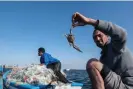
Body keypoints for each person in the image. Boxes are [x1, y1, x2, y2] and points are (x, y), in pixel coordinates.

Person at [72, 12, 133, 89]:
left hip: (127, 86)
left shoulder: (116, 46)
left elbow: (122, 33)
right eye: (94, 38)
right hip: (117, 84)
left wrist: (89, 21)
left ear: (107, 36)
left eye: (99, 35)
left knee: (92, 63)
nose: (97, 39)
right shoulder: (103, 57)